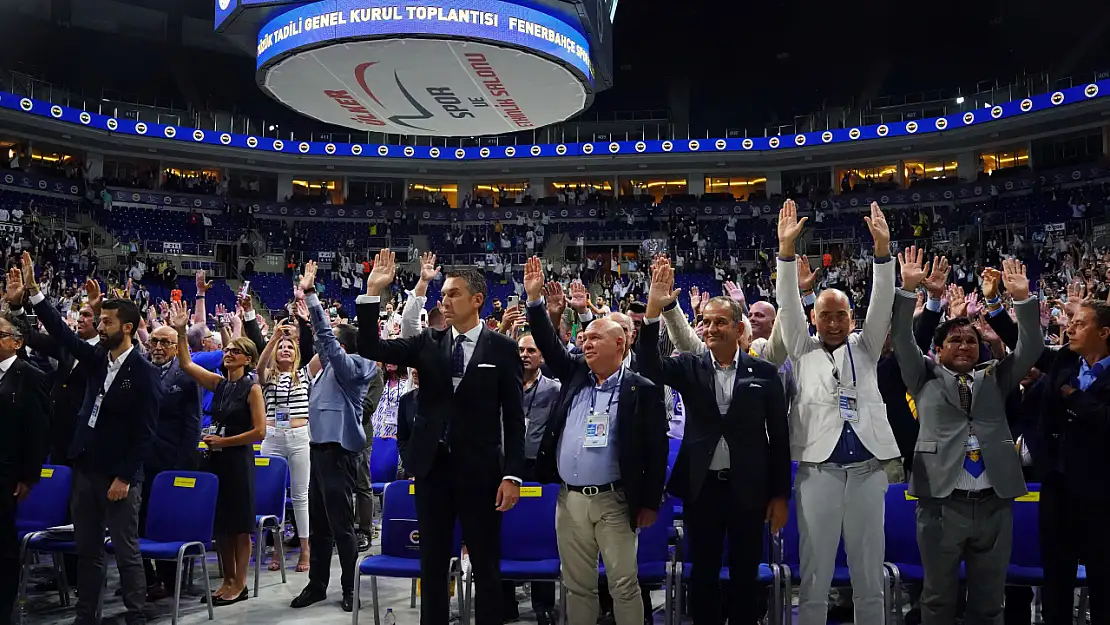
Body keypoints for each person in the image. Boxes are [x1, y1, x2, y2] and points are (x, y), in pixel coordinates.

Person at [357, 249, 524, 625]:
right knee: (431, 565)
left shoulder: (503, 349)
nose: (444, 301)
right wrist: (372, 292)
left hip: (482, 473)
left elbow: (514, 420)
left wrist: (512, 475)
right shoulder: (427, 343)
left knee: (485, 564)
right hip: (432, 471)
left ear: (477, 300)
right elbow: (371, 347)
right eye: (443, 294)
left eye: (453, 294)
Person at [639, 257, 790, 624]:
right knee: (702, 573)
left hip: (749, 490)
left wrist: (780, 496)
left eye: (720, 322)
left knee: (745, 574)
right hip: (702, 488)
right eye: (705, 322)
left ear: (739, 328)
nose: (710, 328)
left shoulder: (765, 372)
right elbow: (648, 368)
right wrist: (653, 311)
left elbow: (780, 439)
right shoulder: (689, 366)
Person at [892, 253, 1042, 623]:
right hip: (941, 504)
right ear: (938, 349)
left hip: (994, 504)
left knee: (990, 602)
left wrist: (1021, 300)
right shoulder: (922, 376)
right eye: (955, 340)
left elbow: (1033, 348)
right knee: (938, 599)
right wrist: (913, 291)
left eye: (971, 341)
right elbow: (901, 338)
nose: (964, 346)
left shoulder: (997, 375)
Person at [522, 257, 669, 625]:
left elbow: (657, 449)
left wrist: (650, 501)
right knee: (576, 585)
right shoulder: (574, 374)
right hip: (569, 500)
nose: (585, 344)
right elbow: (548, 344)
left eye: (594, 338)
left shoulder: (641, 388)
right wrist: (535, 302)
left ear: (620, 344)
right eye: (584, 339)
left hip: (615, 501)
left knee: (623, 584)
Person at [17, 253, 161, 625]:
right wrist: (35, 294)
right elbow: (64, 335)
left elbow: (145, 434)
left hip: (119, 477)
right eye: (100, 320)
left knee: (127, 552)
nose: (100, 325)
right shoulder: (98, 358)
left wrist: (125, 478)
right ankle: (86, 617)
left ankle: (136, 615)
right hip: (84, 468)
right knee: (88, 550)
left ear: (127, 328)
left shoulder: (143, 373)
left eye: (107, 321)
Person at [775, 200, 899, 625]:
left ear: (852, 318)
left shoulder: (865, 347)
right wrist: (786, 254)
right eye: (825, 315)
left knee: (869, 572)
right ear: (814, 317)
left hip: (867, 468)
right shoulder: (801, 347)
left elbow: (883, 300)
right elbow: (787, 305)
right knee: (815, 572)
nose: (832, 322)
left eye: (840, 315)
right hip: (818, 470)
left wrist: (883, 252)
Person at [290, 261, 378, 613]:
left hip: (340, 454)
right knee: (322, 526)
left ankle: (349, 588)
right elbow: (320, 344)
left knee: (343, 528)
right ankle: (317, 585)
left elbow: (327, 342)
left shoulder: (358, 366)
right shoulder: (328, 368)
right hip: (318, 451)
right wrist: (305, 318)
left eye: (334, 342)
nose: (326, 350)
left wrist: (313, 300)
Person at [169, 300, 265, 606]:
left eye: (235, 351)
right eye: (227, 350)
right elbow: (186, 364)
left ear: (247, 359)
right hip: (218, 461)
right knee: (222, 526)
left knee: (239, 528)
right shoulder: (220, 384)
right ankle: (225, 580)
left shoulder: (252, 389)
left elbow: (260, 432)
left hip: (237, 460)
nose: (228, 353)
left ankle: (240, 583)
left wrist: (224, 443)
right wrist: (181, 331)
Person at [502, 332, 561, 624]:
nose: (525, 355)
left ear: (542, 356)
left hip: (538, 468)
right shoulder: (502, 384)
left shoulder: (554, 390)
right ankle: (505, 601)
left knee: (540, 532)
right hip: (503, 467)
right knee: (503, 530)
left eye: (531, 350)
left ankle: (543, 605)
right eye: (521, 350)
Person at [143, 324, 203, 600]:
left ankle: (169, 580)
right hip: (141, 460)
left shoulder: (187, 375)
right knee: (139, 520)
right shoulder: (142, 370)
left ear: (175, 346)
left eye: (164, 343)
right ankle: (146, 579)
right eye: (154, 341)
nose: (157, 347)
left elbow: (192, 426)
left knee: (166, 523)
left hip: (172, 461)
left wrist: (183, 467)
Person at [0, 309, 49, 625]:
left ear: (16, 343)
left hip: (7, 474)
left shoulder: (30, 376)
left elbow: (39, 431)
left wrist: (29, 476)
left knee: (3, 547)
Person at [255, 319, 312, 572]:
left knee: (300, 496)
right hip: (273, 436)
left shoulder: (304, 374)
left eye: (290, 346)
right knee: (273, 496)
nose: (285, 349)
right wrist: (273, 338)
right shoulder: (268, 377)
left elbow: (324, 353)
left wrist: (307, 323)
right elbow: (258, 366)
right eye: (281, 347)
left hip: (300, 437)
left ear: (297, 352)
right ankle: (276, 548)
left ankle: (305, 550)